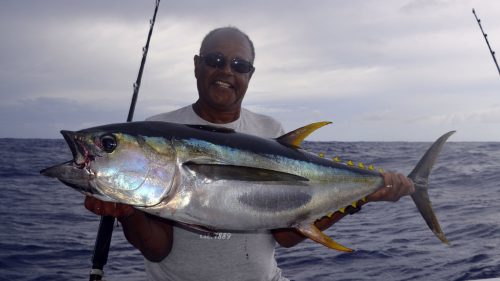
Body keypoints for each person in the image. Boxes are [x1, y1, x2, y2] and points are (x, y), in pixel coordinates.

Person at [84, 26, 415, 281]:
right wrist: (126, 211)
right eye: (216, 60)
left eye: (239, 65)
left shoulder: (270, 130)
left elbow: (286, 235)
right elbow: (157, 249)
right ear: (198, 66)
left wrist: (361, 198)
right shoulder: (158, 129)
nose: (227, 71)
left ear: (250, 75)